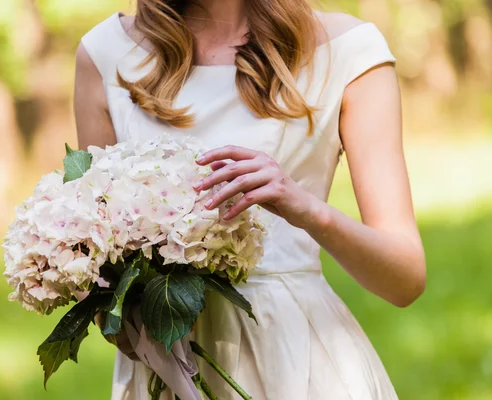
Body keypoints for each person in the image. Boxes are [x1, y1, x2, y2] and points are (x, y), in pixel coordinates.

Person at [74, 0, 426, 398]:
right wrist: (122, 318)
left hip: (295, 360)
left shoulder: (349, 50)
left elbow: (405, 278)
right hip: (166, 365)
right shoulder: (104, 53)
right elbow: (97, 254)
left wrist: (306, 209)